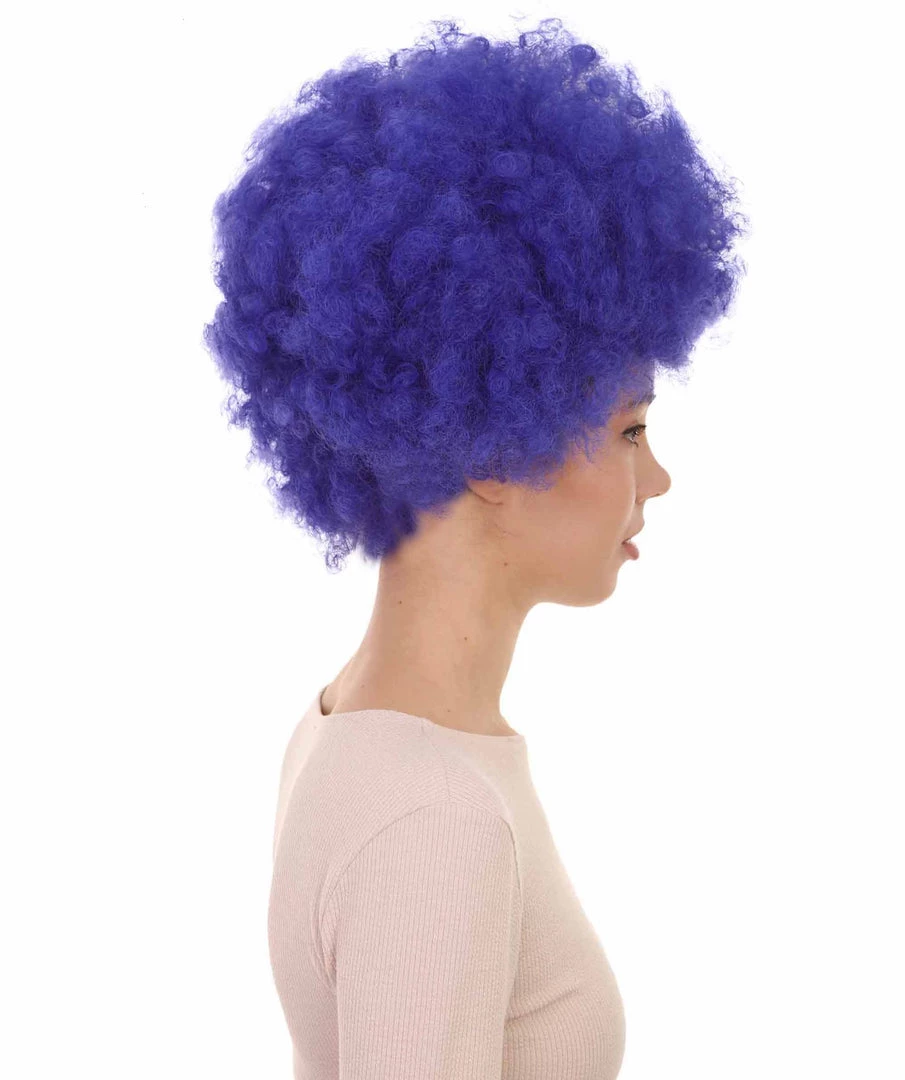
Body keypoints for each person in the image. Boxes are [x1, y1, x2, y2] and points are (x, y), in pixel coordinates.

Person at [203, 16, 748, 1079]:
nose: (657, 479)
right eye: (629, 432)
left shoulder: (349, 724)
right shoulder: (433, 818)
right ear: (498, 447)